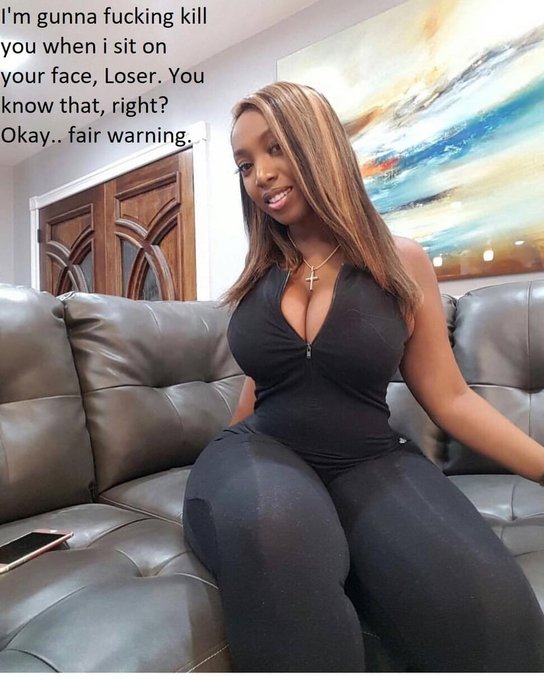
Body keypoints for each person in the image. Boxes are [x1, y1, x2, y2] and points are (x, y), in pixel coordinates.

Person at [183, 81, 544, 672]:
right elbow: (263, 382)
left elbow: (451, 398)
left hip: (369, 459)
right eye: (245, 165)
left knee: (492, 612)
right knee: (280, 537)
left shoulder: (400, 262)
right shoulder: (258, 275)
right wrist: (227, 469)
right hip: (263, 450)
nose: (261, 175)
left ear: (319, 144)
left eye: (276, 148)